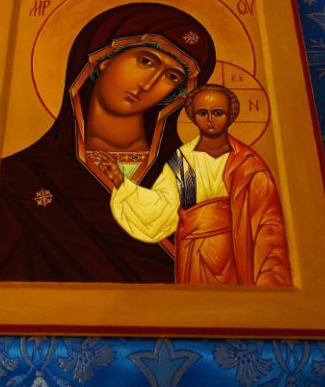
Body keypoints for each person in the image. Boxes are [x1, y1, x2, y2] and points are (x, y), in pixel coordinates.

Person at [0, 2, 216, 283]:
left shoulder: (187, 170)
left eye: (171, 77)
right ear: (105, 59)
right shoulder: (19, 179)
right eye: (146, 61)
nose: (148, 84)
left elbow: (213, 264)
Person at [99, 84, 292, 286]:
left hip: (237, 254)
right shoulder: (185, 161)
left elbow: (267, 223)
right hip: (194, 255)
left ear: (231, 115)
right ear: (192, 116)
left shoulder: (247, 165)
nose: (209, 119)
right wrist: (121, 182)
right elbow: (163, 207)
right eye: (202, 113)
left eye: (217, 113)